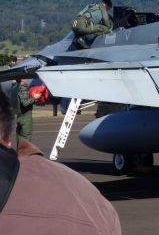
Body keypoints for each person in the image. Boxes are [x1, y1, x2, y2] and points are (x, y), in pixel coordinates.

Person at [0, 90, 121, 233]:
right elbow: (25, 102)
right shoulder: (84, 197)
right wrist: (34, 98)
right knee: (25, 138)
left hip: (24, 120)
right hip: (24, 120)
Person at [14, 78, 40, 143]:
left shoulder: (15, 88)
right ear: (22, 79)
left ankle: (19, 153)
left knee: (19, 140)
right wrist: (35, 98)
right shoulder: (23, 88)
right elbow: (25, 103)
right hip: (25, 117)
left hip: (19, 116)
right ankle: (25, 153)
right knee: (26, 139)